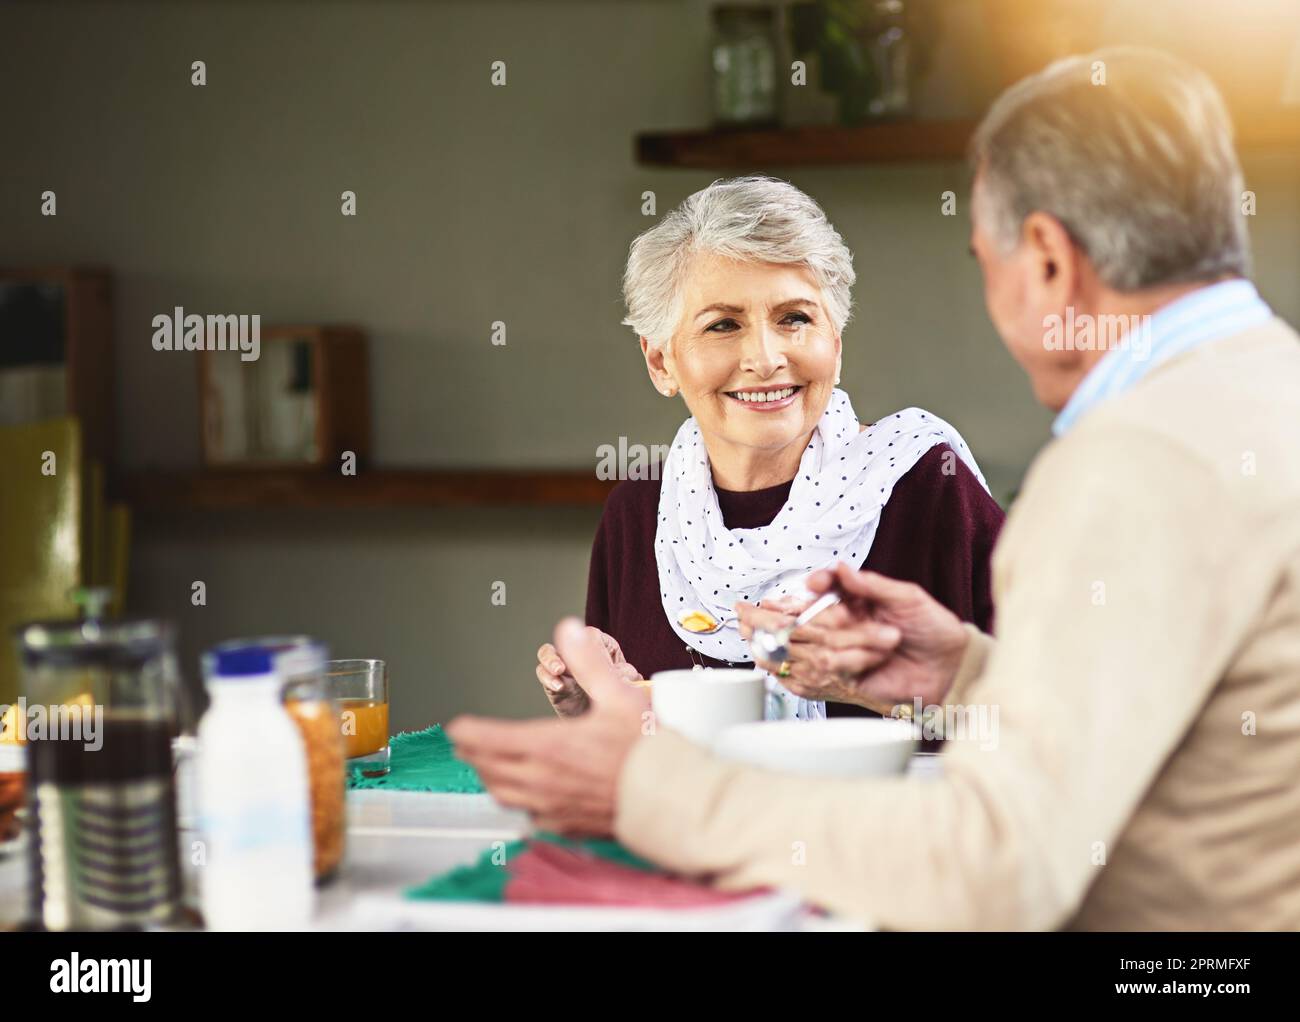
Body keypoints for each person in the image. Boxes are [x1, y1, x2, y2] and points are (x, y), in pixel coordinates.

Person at [453, 47, 1300, 929]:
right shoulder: (1269, 393)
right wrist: (962, 677)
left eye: (985, 260)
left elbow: (994, 869)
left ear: (1047, 260)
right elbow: (1171, 738)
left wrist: (652, 789)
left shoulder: (1127, 464)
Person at [536, 177, 1004, 722]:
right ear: (661, 362)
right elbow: (638, 767)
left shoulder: (930, 486)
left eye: (795, 319)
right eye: (723, 325)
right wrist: (607, 711)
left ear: (835, 341)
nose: (764, 357)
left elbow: (1043, 726)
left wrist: (885, 693)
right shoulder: (639, 512)